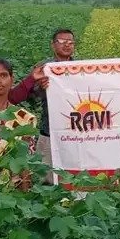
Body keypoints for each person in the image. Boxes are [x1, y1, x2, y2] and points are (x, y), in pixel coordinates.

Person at [9, 29, 75, 184]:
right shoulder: (43, 68)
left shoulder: (81, 68)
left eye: (70, 42)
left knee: (73, 176)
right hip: (49, 130)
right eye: (61, 42)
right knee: (45, 178)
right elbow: (28, 95)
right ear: (53, 45)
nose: (67, 45)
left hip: (75, 130)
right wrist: (40, 86)